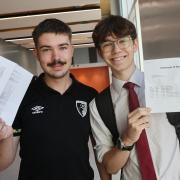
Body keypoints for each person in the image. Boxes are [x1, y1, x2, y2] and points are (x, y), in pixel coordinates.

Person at [0, 18, 110, 180]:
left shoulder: (89, 96)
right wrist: (5, 137)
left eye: (62, 47)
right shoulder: (21, 96)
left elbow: (99, 150)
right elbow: (4, 162)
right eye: (46, 49)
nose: (56, 57)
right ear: (36, 53)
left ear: (71, 50)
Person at [89, 15, 180, 180]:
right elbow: (110, 167)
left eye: (122, 41)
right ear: (100, 53)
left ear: (135, 44)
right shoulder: (99, 105)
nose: (116, 50)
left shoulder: (165, 83)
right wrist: (127, 139)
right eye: (108, 44)